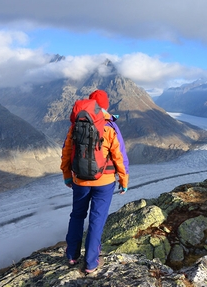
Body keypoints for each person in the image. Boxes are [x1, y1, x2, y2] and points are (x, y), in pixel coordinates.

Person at [60, 89, 129, 274]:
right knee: (96, 220)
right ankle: (91, 263)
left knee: (77, 216)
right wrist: (124, 179)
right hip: (104, 182)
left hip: (80, 180)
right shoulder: (109, 127)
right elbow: (119, 156)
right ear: (104, 106)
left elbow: (66, 151)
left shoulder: (76, 125)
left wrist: (67, 174)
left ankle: (72, 256)